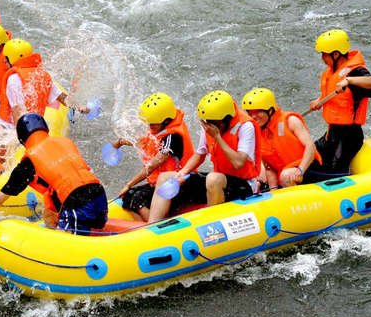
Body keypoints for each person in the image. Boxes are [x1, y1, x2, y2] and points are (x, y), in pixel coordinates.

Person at [0, 113, 108, 239]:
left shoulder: (29, 162)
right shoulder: (65, 142)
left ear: (22, 138)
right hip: (100, 197)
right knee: (48, 212)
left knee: (67, 246)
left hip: (77, 204)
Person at [147, 90, 262, 219]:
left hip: (244, 184)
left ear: (226, 119)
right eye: (207, 122)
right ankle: (151, 226)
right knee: (165, 177)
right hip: (219, 179)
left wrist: (217, 137)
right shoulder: (209, 124)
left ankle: (213, 222)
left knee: (213, 178)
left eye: (213, 123)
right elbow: (199, 154)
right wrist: (182, 173)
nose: (208, 126)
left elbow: (238, 163)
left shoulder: (246, 127)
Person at [113, 93, 195, 221]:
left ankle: (154, 224)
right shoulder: (160, 129)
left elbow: (151, 166)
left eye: (153, 124)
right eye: (149, 124)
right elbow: (143, 141)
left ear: (166, 120)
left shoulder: (173, 137)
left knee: (136, 198)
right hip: (161, 184)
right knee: (129, 197)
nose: (150, 127)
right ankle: (147, 224)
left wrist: (129, 184)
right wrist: (119, 143)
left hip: (178, 185)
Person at [309, 29, 371, 173]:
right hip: (332, 132)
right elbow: (333, 95)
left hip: (349, 136)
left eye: (324, 54)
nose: (322, 58)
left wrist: (349, 80)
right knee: (309, 157)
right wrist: (319, 101)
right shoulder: (333, 71)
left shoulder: (355, 72)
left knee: (335, 169)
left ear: (336, 54)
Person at [241, 87, 322, 187]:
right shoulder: (257, 133)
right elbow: (269, 168)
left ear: (270, 111)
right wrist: (273, 190)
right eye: (250, 112)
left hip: (308, 168)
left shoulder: (291, 120)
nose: (253, 116)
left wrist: (300, 170)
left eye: (258, 112)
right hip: (284, 175)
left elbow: (311, 147)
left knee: (286, 175)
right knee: (259, 172)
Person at [0, 38, 86, 127]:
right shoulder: (42, 75)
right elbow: (64, 99)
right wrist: (80, 107)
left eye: (6, 58)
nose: (4, 61)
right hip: (35, 125)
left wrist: (20, 136)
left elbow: (17, 111)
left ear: (12, 58)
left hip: (11, 128)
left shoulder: (13, 79)